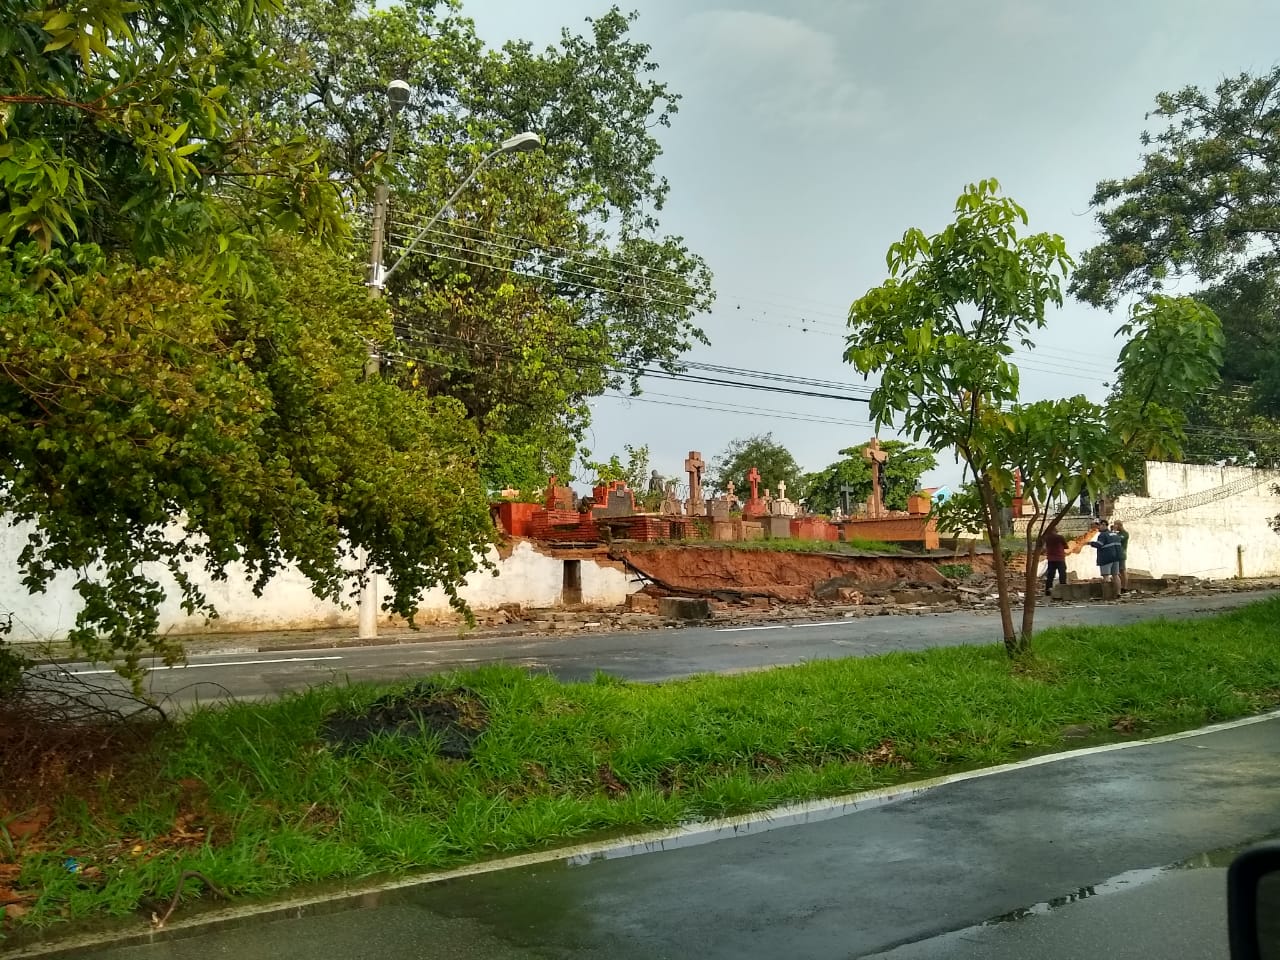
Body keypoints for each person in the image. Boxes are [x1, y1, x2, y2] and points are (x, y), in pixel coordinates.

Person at [1086, 520, 1121, 596]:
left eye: (1099, 525)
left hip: (1106, 558)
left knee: (1106, 576)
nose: (1097, 528)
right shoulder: (1114, 534)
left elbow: (1099, 544)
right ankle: (1118, 593)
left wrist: (1090, 543)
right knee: (1115, 575)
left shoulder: (1102, 535)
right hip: (1116, 557)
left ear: (1104, 525)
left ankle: (1108, 595)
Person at [1039, 523, 1068, 597]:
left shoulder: (1046, 538)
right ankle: (1063, 589)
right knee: (1062, 574)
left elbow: (1044, 547)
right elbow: (1066, 546)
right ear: (1055, 530)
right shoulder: (1059, 537)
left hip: (1051, 559)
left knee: (1050, 575)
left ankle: (1048, 591)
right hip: (1060, 558)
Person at [1113, 521, 1130, 592]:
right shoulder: (1118, 533)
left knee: (1122, 570)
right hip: (1116, 554)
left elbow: (1118, 539)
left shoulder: (1125, 534)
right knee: (1118, 571)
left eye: (1115, 525)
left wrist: (1113, 531)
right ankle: (1120, 586)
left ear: (1120, 525)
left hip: (1121, 554)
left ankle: (1124, 587)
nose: (1115, 527)